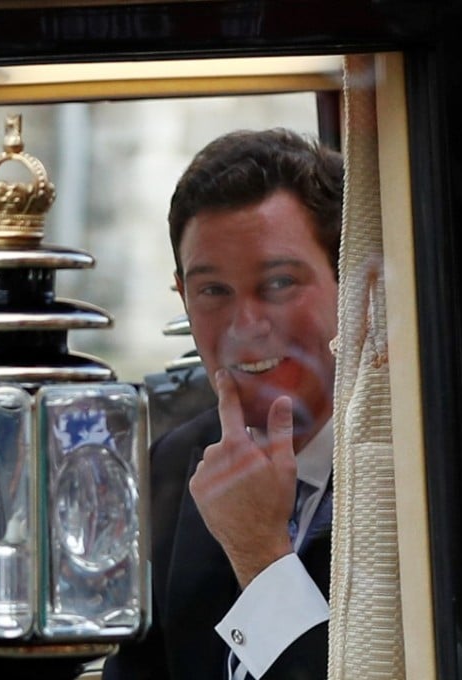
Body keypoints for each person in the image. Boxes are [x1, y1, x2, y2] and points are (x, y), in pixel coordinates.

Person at [103, 128, 343, 680]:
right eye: (213, 292)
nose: (246, 327)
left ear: (348, 283)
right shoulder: (172, 464)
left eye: (279, 283)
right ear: (182, 296)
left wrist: (260, 555)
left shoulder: (411, 468)